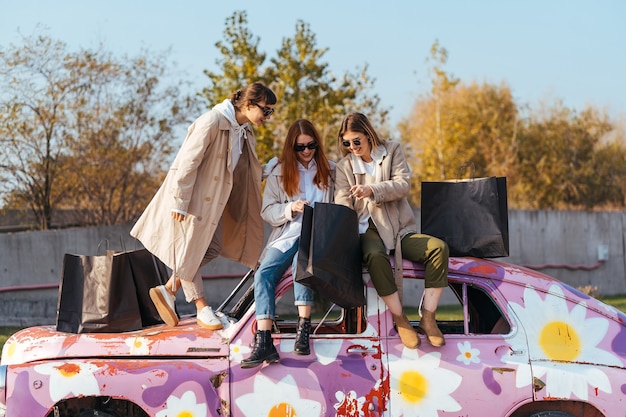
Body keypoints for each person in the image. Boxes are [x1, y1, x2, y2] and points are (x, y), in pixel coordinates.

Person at [130, 82, 277, 331]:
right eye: (266, 110)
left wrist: (267, 170)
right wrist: (180, 200)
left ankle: (168, 290)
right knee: (192, 250)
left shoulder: (244, 131)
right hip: (195, 201)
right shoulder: (212, 121)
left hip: (215, 205)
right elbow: (186, 163)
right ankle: (201, 307)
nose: (268, 117)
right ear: (250, 104)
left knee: (212, 248)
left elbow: (241, 172)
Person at [334, 112, 449, 348]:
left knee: (438, 248)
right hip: (365, 230)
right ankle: (401, 319)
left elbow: (402, 184)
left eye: (357, 141)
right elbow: (341, 201)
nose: (352, 147)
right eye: (347, 143)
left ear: (368, 135)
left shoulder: (392, 150)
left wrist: (372, 190)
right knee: (375, 256)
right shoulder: (344, 166)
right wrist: (350, 207)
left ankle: (428, 317)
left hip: (398, 229)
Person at [241, 119, 335, 368]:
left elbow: (342, 205)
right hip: (287, 233)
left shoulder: (332, 171)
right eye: (300, 147)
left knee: (300, 264)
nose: (306, 151)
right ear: (290, 147)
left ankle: (303, 329)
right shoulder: (279, 172)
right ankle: (264, 342)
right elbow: (267, 211)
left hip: (317, 234)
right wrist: (290, 207)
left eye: (311, 145)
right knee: (263, 274)